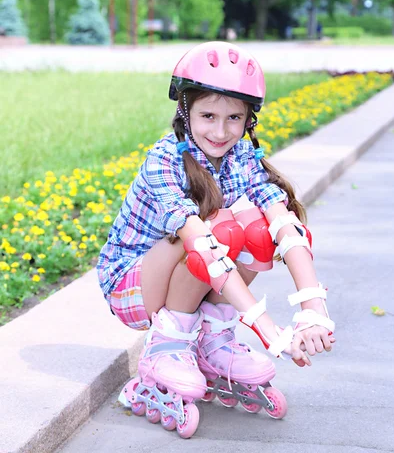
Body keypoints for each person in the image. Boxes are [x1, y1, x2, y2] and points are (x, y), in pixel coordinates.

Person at [97, 41, 335, 437]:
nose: (221, 131)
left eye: (234, 118)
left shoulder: (242, 159)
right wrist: (270, 333)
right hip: (133, 284)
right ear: (185, 111)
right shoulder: (165, 160)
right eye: (207, 115)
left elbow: (285, 226)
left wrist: (314, 309)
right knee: (217, 228)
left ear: (249, 121)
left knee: (259, 229)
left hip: (196, 269)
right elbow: (202, 245)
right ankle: (166, 349)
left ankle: (213, 340)